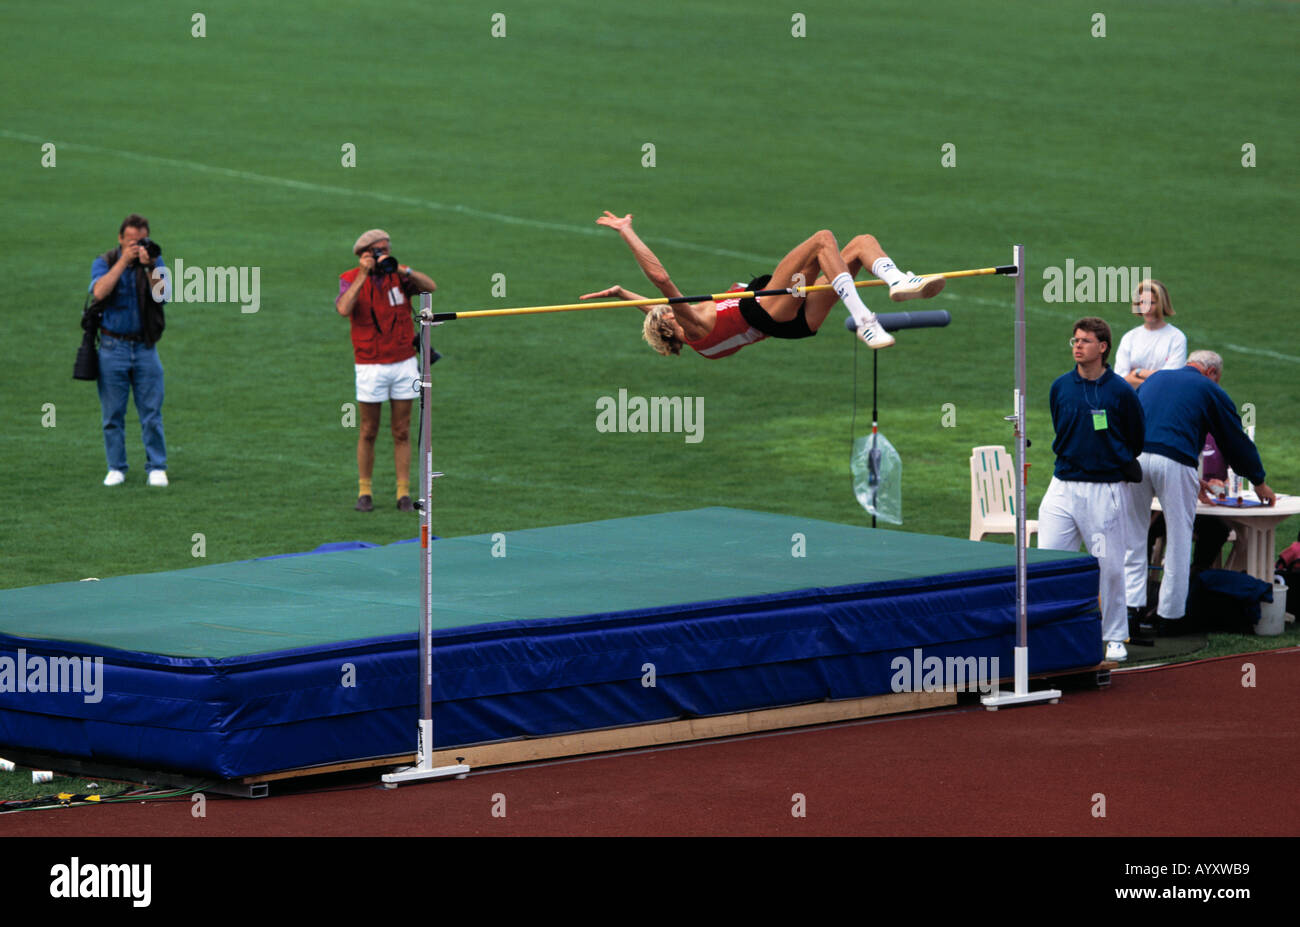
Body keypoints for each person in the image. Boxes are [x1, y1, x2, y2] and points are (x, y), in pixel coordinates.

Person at [580, 212, 945, 357]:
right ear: (673, 332)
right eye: (668, 319)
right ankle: (865, 320)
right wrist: (627, 231)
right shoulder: (692, 329)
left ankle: (898, 281)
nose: (670, 314)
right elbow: (661, 281)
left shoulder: (683, 328)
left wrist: (620, 293)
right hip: (767, 309)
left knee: (859, 243)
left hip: (797, 322)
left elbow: (653, 309)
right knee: (821, 240)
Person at [1122, 350, 1275, 635]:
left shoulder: (1155, 379)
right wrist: (1258, 480)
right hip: (1175, 462)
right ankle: (1169, 617)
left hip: (1136, 459)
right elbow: (1234, 440)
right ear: (1213, 373)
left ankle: (1131, 610)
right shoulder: (1209, 389)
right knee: (1180, 541)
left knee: (1134, 536)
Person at [1037, 318, 1145, 662]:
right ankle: (1051, 629)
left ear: (1103, 348)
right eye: (1074, 340)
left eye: (1085, 341)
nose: (1077, 346)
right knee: (1049, 561)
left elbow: (1136, 437)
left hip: (1105, 488)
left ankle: (1114, 636)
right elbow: (1061, 425)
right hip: (1062, 485)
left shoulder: (1120, 392)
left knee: (1110, 566)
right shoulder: (1060, 387)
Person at [336, 229, 438, 512]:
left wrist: (404, 268)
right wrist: (363, 274)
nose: (384, 254)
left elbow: (431, 287)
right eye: (378, 250)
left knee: (402, 430)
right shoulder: (349, 278)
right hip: (370, 364)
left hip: (403, 361)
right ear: (363, 253)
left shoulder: (399, 277)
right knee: (368, 429)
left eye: (386, 249)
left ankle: (403, 493)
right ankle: (364, 491)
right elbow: (344, 308)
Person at [89, 214, 169, 487]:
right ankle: (116, 467)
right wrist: (124, 261)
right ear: (121, 239)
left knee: (151, 412)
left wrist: (150, 268)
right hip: (113, 348)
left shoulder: (155, 262)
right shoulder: (106, 262)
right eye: (132, 241)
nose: (137, 246)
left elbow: (163, 295)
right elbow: (99, 292)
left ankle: (157, 466)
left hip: (146, 348)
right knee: (112, 414)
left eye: (142, 240)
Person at [1113, 279, 1186, 390]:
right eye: (1142, 302)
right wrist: (1154, 377)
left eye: (1152, 303)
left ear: (1162, 305)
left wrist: (1137, 372)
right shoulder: (1129, 337)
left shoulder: (1177, 338)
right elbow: (1120, 379)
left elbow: (1170, 379)